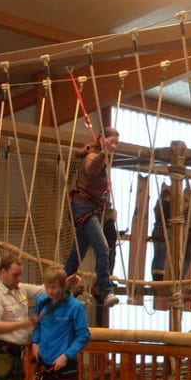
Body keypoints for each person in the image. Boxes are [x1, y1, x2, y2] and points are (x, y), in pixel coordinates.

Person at [64, 128, 120, 307]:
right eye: (111, 142)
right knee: (103, 249)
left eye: (116, 143)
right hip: (84, 209)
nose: (114, 146)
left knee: (77, 253)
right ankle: (106, 291)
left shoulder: (99, 156)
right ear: (102, 140)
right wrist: (103, 152)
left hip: (91, 209)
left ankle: (61, 286)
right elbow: (90, 168)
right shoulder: (93, 157)